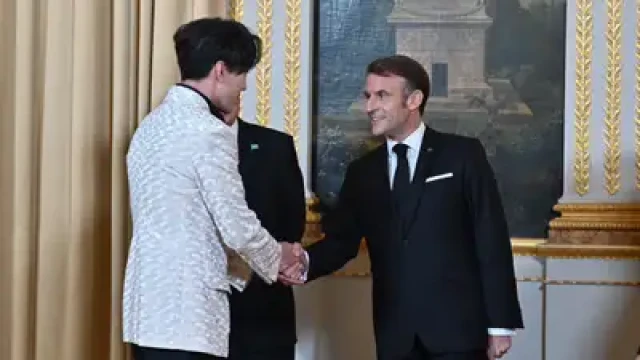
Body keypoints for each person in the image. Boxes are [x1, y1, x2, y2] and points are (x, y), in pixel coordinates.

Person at [281, 55, 524, 360]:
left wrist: (500, 324)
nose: (370, 106)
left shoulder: (462, 155)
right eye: (368, 96)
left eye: (382, 95)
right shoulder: (363, 172)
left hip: (459, 333)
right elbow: (342, 242)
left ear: (414, 100)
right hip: (396, 336)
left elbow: (490, 238)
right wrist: (302, 262)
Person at [122, 17, 303, 360]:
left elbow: (191, 224)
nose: (244, 87)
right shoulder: (209, 132)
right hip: (191, 317)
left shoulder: (149, 128)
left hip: (147, 313)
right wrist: (277, 256)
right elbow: (235, 224)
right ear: (220, 70)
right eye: (242, 75)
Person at [222, 102, 306, 360]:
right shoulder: (181, 146)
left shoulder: (274, 146)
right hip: (200, 318)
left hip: (265, 315)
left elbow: (292, 227)